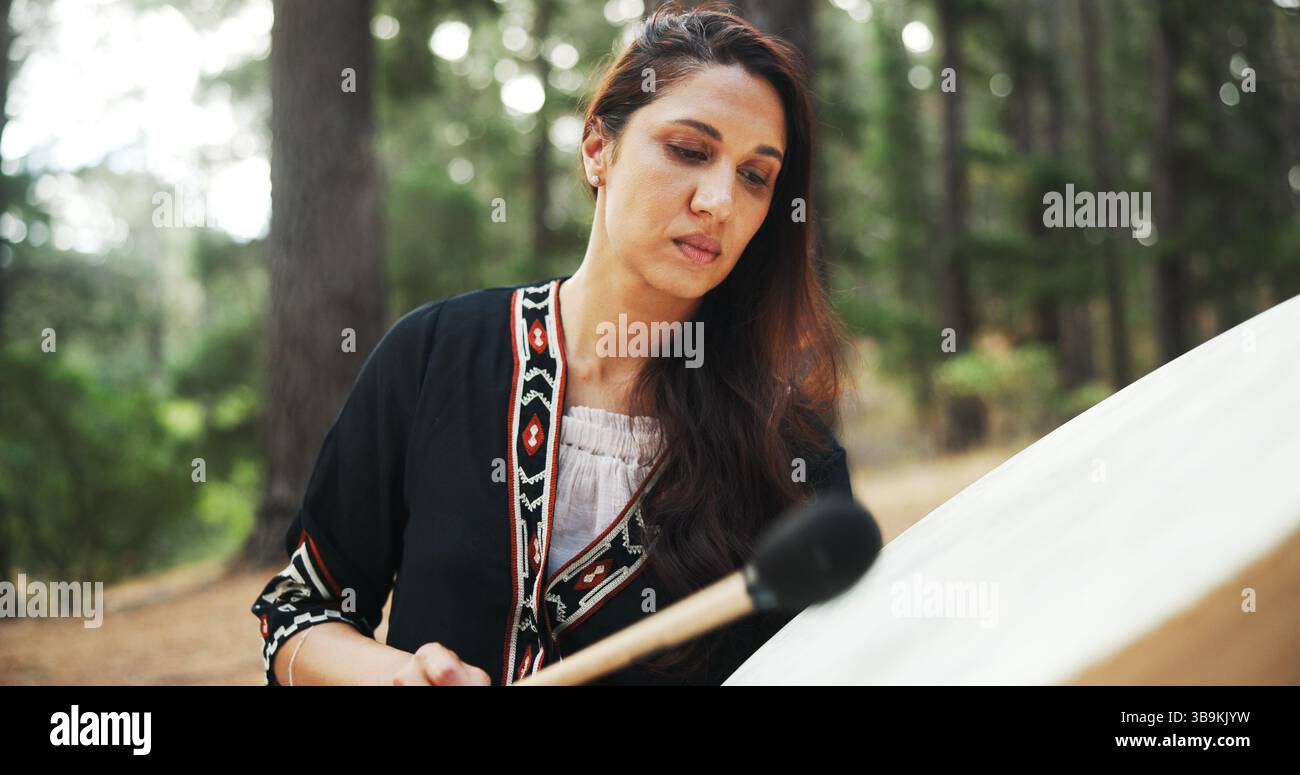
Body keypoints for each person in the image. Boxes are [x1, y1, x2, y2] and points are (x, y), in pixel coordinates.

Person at [250, 1, 856, 686]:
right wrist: (394, 676)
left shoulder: (791, 452)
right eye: (689, 150)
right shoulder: (433, 356)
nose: (719, 200)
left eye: (755, 176)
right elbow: (300, 611)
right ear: (598, 149)